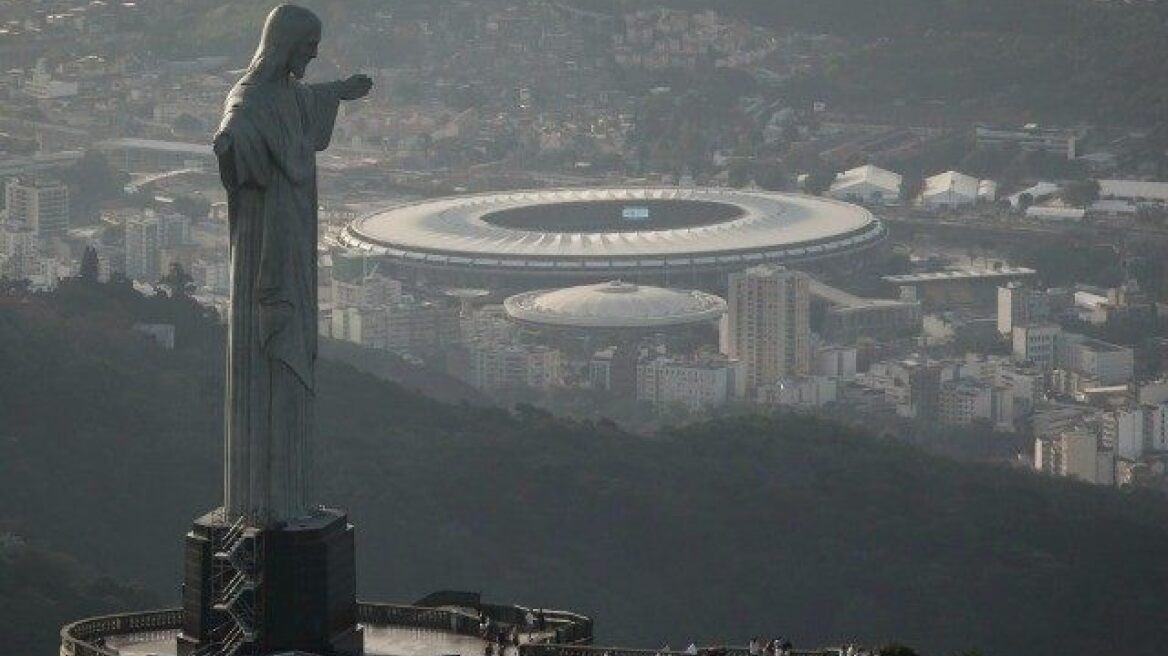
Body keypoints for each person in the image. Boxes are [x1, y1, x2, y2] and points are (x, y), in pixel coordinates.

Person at [215, 2, 372, 525]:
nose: (314, 55)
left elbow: (305, 103)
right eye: (308, 47)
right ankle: (263, 504)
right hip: (265, 245)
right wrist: (229, 143)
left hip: (294, 241)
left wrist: (339, 92)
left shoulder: (287, 95)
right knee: (266, 356)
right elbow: (237, 127)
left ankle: (291, 499)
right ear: (285, 45)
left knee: (294, 357)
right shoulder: (250, 99)